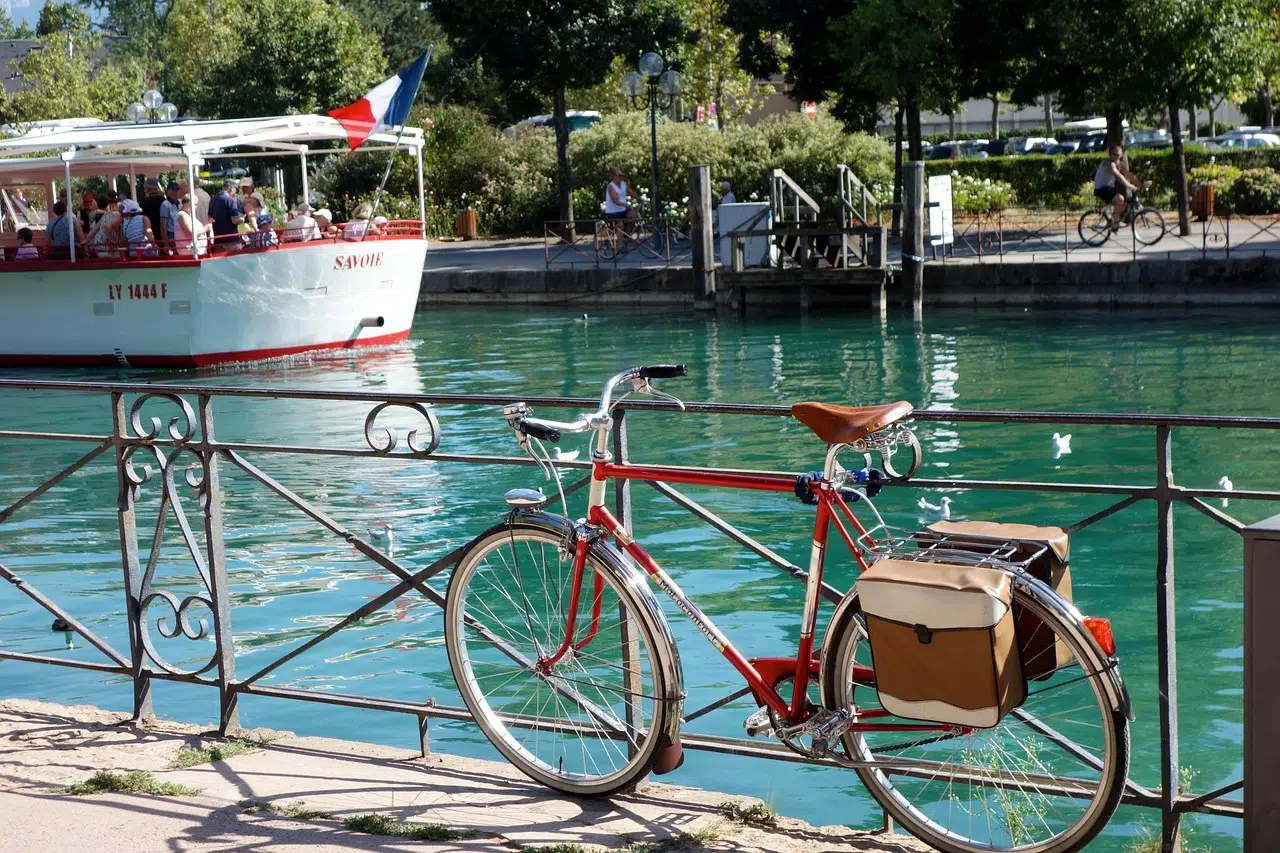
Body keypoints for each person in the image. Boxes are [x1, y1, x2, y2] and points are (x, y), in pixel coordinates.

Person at [1093, 145, 1143, 224]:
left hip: (1108, 188)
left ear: (1121, 155)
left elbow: (1129, 174)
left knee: (1125, 201)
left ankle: (1113, 220)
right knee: (1120, 199)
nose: (1115, 157)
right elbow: (1118, 175)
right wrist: (1129, 185)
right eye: (1114, 154)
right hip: (1101, 189)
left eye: (1118, 155)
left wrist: (1141, 184)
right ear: (1110, 154)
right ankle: (1115, 222)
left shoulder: (1118, 163)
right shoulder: (1108, 162)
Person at [603, 169, 638, 250]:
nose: (621, 177)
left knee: (634, 216)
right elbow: (614, 200)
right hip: (612, 211)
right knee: (620, 225)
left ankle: (625, 234)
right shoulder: (611, 186)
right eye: (619, 176)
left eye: (622, 176)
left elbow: (631, 192)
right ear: (614, 176)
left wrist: (640, 199)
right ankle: (620, 246)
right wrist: (625, 204)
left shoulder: (623, 184)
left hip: (622, 210)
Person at [86, 192, 123, 257]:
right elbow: (107, 227)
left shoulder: (105, 214)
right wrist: (113, 241)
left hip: (98, 246)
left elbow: (95, 228)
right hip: (107, 248)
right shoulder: (118, 215)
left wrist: (86, 240)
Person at [208, 179, 243, 249]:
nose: (235, 193)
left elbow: (209, 218)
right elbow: (235, 220)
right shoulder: (230, 200)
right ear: (232, 188)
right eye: (236, 190)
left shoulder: (213, 199)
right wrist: (242, 219)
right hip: (231, 240)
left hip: (218, 240)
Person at [140, 177, 167, 245]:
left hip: (152, 232)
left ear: (149, 188)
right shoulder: (163, 200)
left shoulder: (146, 202)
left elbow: (143, 218)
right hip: (164, 231)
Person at [159, 181, 182, 252]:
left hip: (181, 233)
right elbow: (163, 226)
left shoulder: (181, 202)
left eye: (178, 190)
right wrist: (166, 244)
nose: (176, 192)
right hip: (172, 235)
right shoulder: (165, 205)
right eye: (174, 190)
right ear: (169, 191)